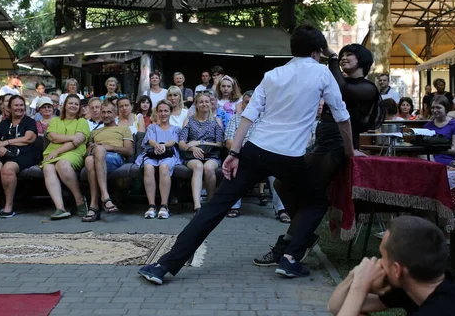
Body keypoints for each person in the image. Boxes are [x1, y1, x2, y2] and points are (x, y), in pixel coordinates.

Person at [138, 24, 358, 285]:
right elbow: (342, 117)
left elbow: (248, 116)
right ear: (317, 52)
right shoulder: (323, 74)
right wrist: (350, 151)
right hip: (290, 157)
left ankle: (163, 266)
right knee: (317, 202)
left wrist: (235, 152)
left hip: (255, 151)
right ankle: (290, 259)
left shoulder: (273, 74)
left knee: (216, 207)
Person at [256, 43, 377, 270]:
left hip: (338, 144)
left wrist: (330, 57)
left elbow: (341, 90)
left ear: (362, 60)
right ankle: (304, 237)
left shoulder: (366, 87)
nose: (343, 58)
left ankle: (289, 248)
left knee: (312, 197)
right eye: (342, 55)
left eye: (349, 55)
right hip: (322, 141)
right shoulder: (339, 81)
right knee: (283, 184)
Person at [327, 216, 455, 315]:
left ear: (397, 270)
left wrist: (360, 286)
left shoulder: (442, 309)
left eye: (382, 257)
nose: (378, 262)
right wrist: (354, 275)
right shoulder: (421, 283)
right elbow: (336, 307)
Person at [224, 90, 285, 218]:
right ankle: (234, 206)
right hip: (243, 155)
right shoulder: (235, 119)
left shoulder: (268, 121)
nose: (250, 105)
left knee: (277, 172)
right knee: (235, 166)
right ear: (243, 105)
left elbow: (274, 140)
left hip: (264, 156)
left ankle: (282, 210)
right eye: (247, 102)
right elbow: (229, 141)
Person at [0, 95, 39, 218]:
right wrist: (1, 146)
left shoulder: (29, 122)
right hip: (3, 153)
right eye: (16, 105)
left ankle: (8, 205)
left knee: (8, 169)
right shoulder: (4, 123)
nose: (19, 108)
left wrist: (7, 142)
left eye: (21, 105)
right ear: (9, 108)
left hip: (25, 153)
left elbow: (28, 139)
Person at [81, 101, 133, 222]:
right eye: (103, 112)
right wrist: (91, 147)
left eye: (109, 112)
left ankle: (99, 200)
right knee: (89, 159)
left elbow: (129, 151)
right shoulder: (95, 132)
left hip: (115, 157)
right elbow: (86, 154)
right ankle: (98, 203)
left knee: (97, 152)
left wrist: (108, 147)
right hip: (96, 158)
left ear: (115, 113)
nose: (106, 115)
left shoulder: (124, 129)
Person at [41, 94, 90, 220]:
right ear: (65, 106)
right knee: (47, 168)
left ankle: (79, 199)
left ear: (79, 107)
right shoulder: (55, 121)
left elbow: (77, 142)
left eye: (76, 104)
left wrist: (57, 151)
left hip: (74, 153)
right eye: (70, 103)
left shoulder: (82, 122)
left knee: (62, 164)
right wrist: (73, 137)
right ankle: (60, 208)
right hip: (51, 153)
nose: (73, 106)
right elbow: (53, 137)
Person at [179, 92, 224, 215]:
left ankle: (210, 202)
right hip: (192, 155)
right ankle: (197, 206)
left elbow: (220, 144)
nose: (204, 104)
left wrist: (199, 142)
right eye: (201, 102)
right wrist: (192, 148)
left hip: (211, 155)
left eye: (207, 101)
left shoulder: (216, 121)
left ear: (210, 104)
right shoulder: (188, 120)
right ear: (196, 105)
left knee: (209, 168)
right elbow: (182, 143)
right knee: (198, 167)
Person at [135, 100, 181, 219]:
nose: (163, 113)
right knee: (148, 167)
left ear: (170, 112)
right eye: (160, 111)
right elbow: (150, 140)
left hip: (169, 154)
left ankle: (164, 205)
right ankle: (151, 205)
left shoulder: (175, 128)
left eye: (166, 111)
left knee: (164, 166)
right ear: (156, 112)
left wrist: (164, 146)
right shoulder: (152, 127)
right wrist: (156, 145)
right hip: (152, 154)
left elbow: (173, 141)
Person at [424, 96, 455, 166]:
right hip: (433, 162)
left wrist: (435, 149)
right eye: (433, 108)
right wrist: (434, 164)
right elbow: (425, 149)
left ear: (446, 108)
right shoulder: (427, 126)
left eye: (438, 107)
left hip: (451, 161)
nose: (434, 110)